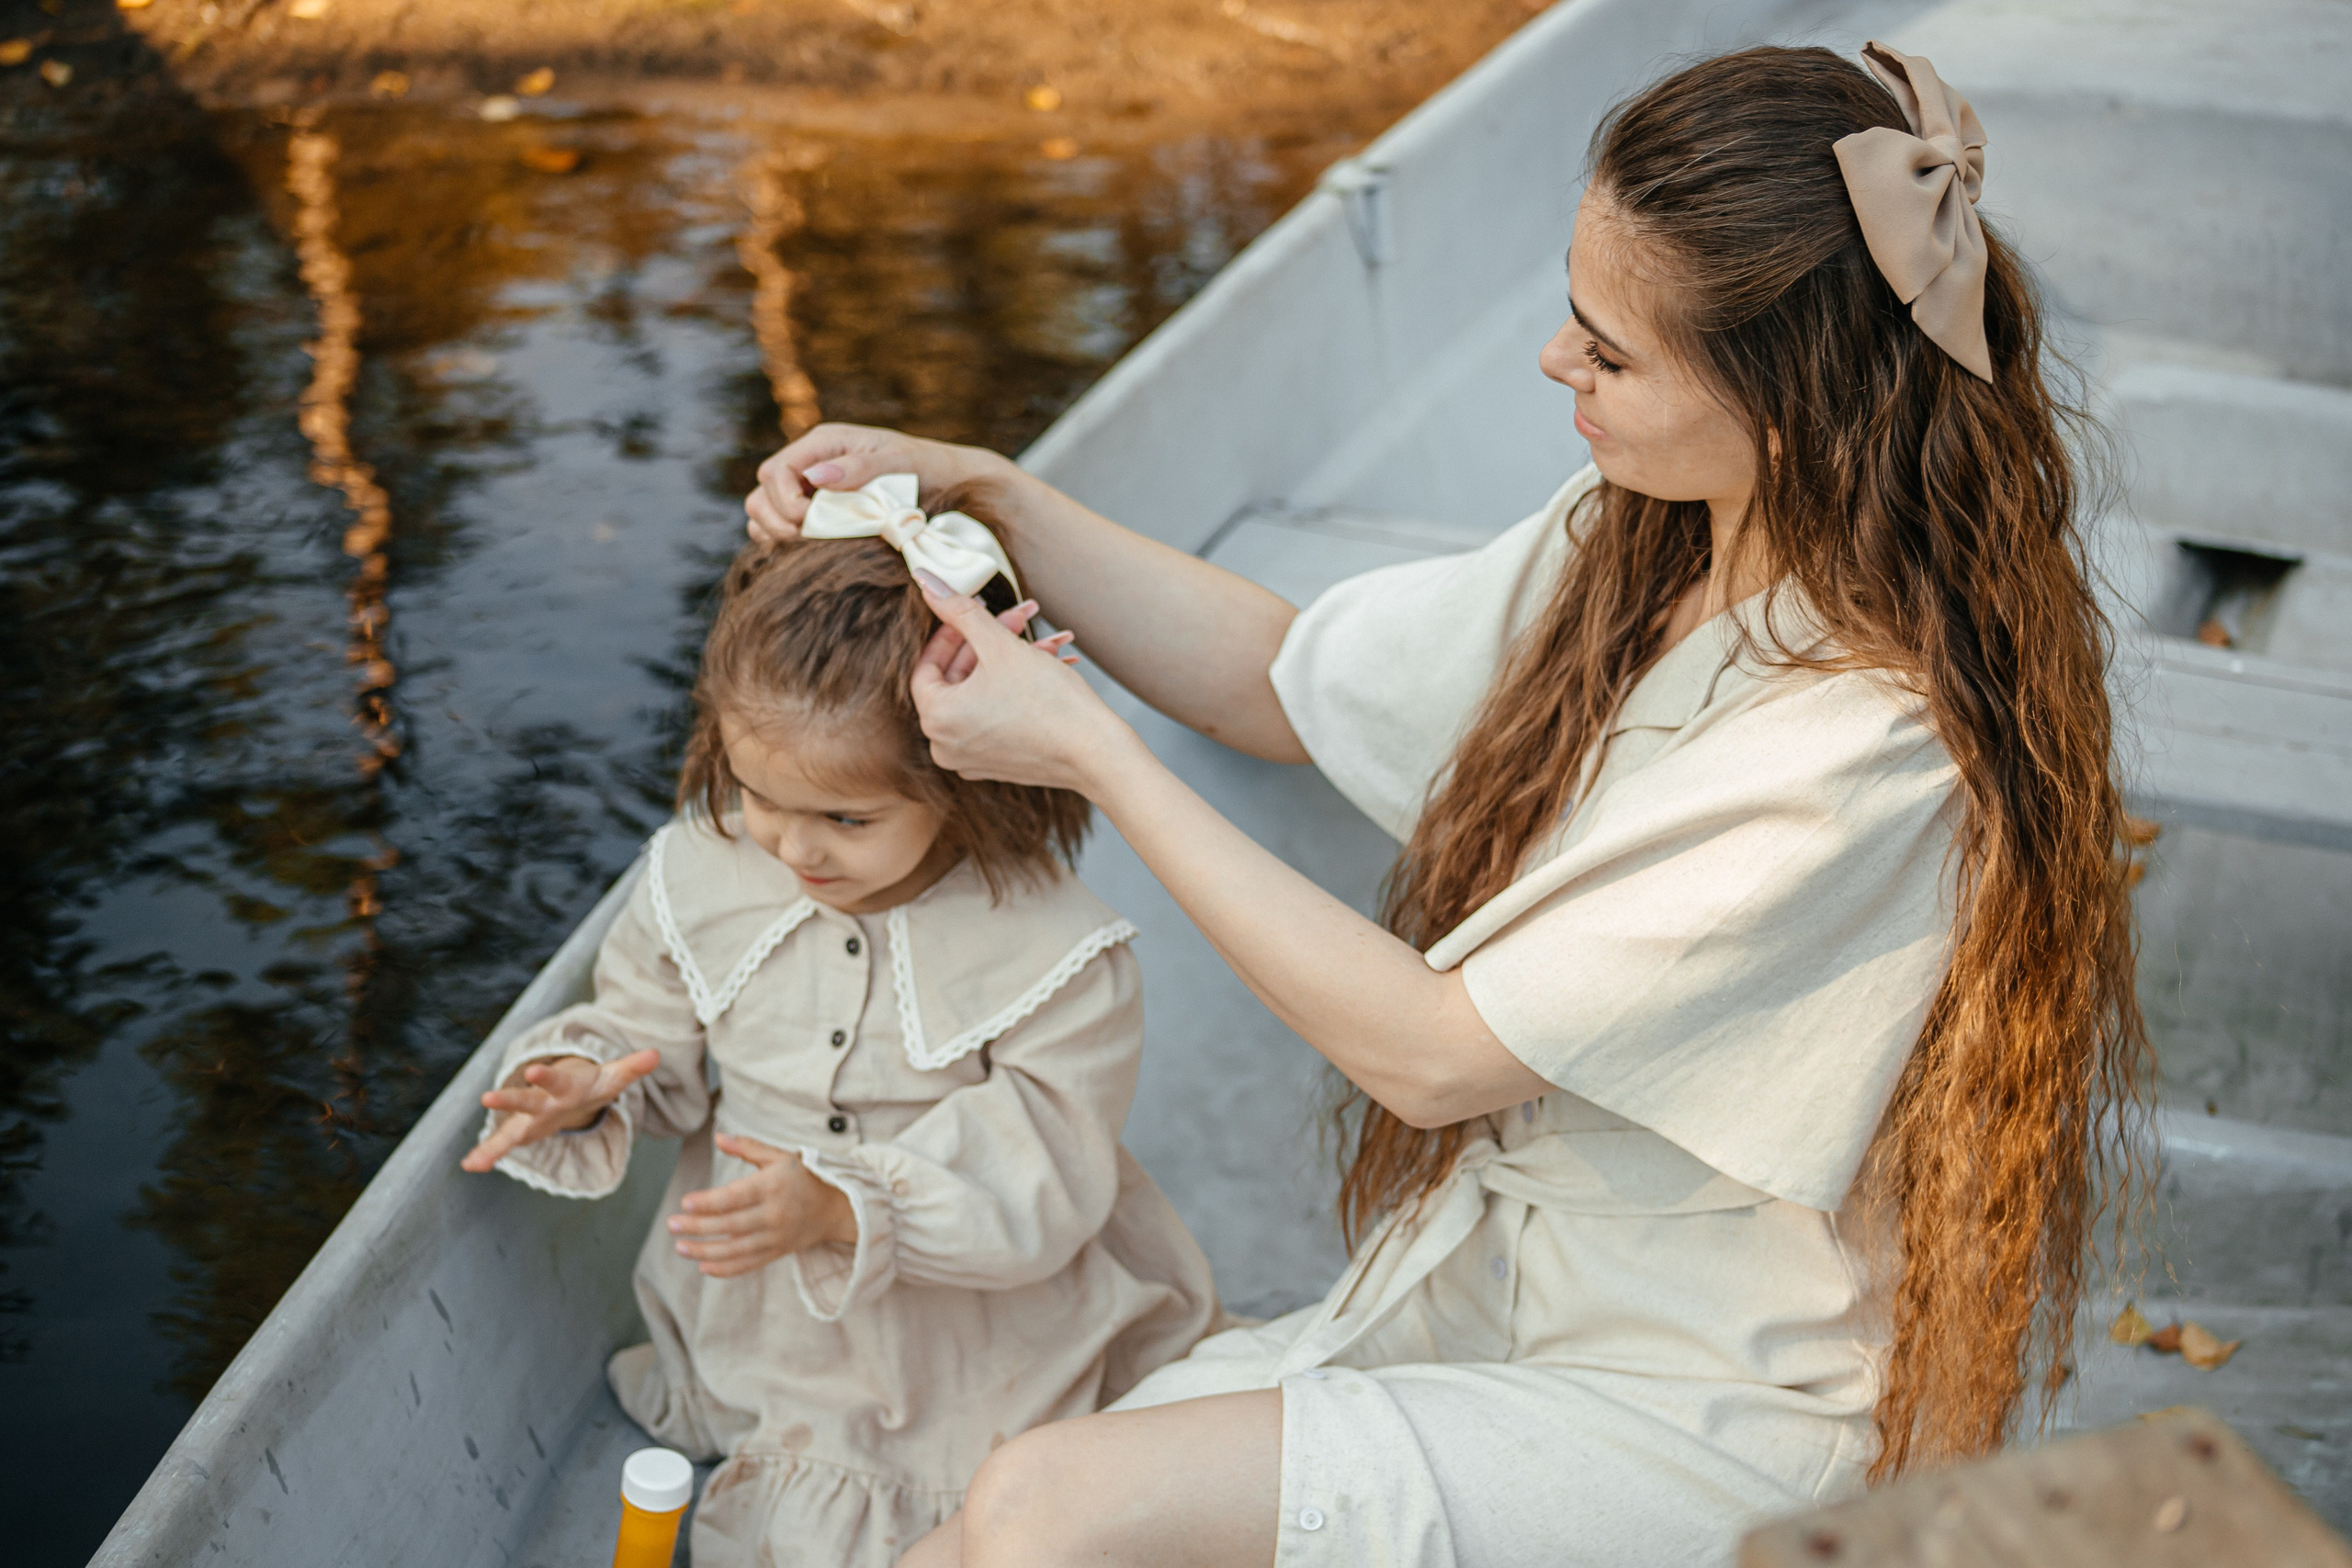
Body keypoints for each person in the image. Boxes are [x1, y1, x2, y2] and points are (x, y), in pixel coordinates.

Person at [741, 39, 2150, 1568]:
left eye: (1609, 353)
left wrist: (1089, 747)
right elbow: (1288, 676)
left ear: (1791, 407)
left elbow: (1430, 1054)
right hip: (1520, 1281)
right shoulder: (1657, 535)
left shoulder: (1869, 747)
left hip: (1708, 1402)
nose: (1556, 361)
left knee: (1041, 1508)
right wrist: (992, 496)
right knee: (993, 1512)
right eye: (1570, 311)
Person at [458, 496, 1220, 1567]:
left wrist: (842, 1206)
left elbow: (1043, 1168)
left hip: (963, 1320)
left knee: (959, 1509)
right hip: (755, 1302)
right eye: (757, 794)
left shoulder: (1058, 955)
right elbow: (649, 1032)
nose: (789, 847)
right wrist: (591, 1077)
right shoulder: (704, 869)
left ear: (970, 779)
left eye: (846, 820)